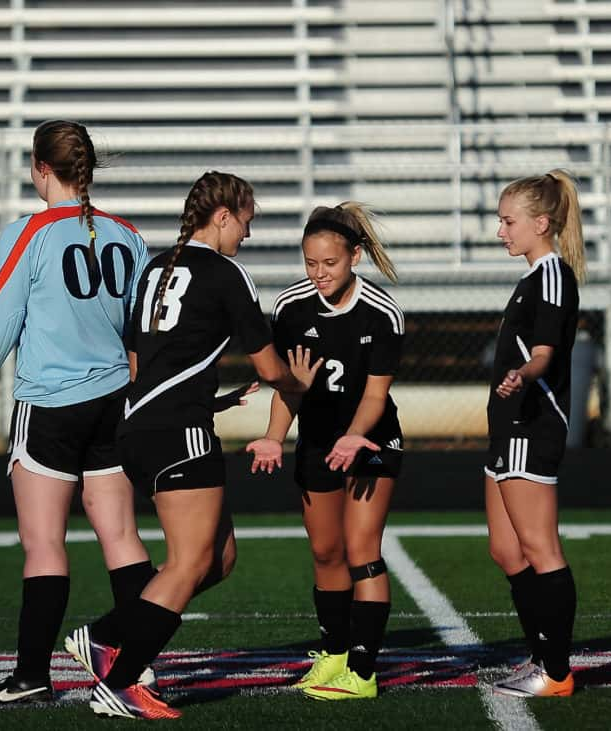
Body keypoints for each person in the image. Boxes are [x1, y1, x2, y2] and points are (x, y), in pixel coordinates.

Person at [0, 120, 156, 705]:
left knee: (43, 543)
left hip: (50, 404)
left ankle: (30, 677)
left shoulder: (30, 232)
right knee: (122, 535)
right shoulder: (126, 234)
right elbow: (142, 330)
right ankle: (138, 666)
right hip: (115, 401)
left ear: (40, 168)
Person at [72, 171, 306, 720]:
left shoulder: (158, 267)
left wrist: (203, 399)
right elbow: (270, 367)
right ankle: (120, 682)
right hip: (178, 432)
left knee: (218, 560)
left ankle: (106, 635)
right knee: (190, 560)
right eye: (246, 221)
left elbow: (138, 360)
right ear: (223, 215)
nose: (246, 234)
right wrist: (303, 385)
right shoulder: (227, 273)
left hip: (140, 427)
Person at [246, 202, 404, 701]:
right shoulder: (291, 307)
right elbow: (290, 387)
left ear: (354, 256)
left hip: (374, 441)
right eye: (311, 263)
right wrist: (274, 436)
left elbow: (376, 396)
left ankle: (362, 673)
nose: (319, 274)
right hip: (316, 443)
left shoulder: (383, 313)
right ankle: (333, 655)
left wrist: (355, 435)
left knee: (362, 551)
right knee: (325, 551)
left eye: (329, 264)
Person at [484, 170, 583, 698]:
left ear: (541, 223)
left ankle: (556, 670)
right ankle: (540, 656)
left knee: (540, 548)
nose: (501, 231)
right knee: (506, 550)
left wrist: (524, 374)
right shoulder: (530, 278)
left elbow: (544, 353)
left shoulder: (551, 276)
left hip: (531, 425)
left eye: (508, 221)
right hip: (507, 428)